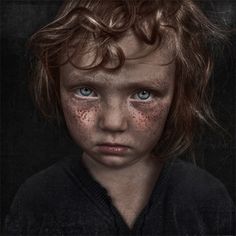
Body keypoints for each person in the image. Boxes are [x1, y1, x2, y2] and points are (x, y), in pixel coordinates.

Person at [4, 0, 235, 235]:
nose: (113, 123)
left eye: (143, 94)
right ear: (57, 86)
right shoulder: (38, 200)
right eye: (86, 91)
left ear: (178, 94)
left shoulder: (206, 199)